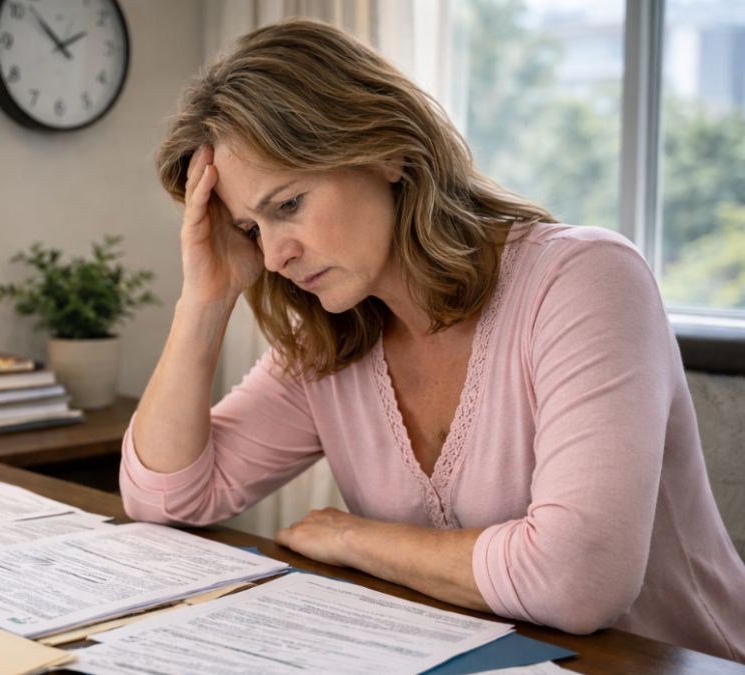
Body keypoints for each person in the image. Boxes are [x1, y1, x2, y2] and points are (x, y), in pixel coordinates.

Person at [120, 18, 745, 661]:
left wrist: (357, 539)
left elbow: (577, 580)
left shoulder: (586, 280)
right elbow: (167, 499)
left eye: (289, 205)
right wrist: (206, 300)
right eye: (251, 229)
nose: (275, 255)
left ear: (386, 150)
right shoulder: (332, 339)